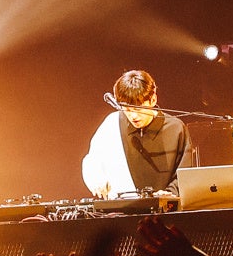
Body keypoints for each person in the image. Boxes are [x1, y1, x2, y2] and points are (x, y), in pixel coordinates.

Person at [81, 69, 191, 198]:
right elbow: (92, 160)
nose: (133, 116)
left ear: (153, 99)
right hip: (123, 206)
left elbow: (185, 173)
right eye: (127, 109)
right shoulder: (112, 123)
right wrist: (96, 178)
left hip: (165, 207)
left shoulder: (176, 128)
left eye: (138, 108)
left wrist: (170, 193)